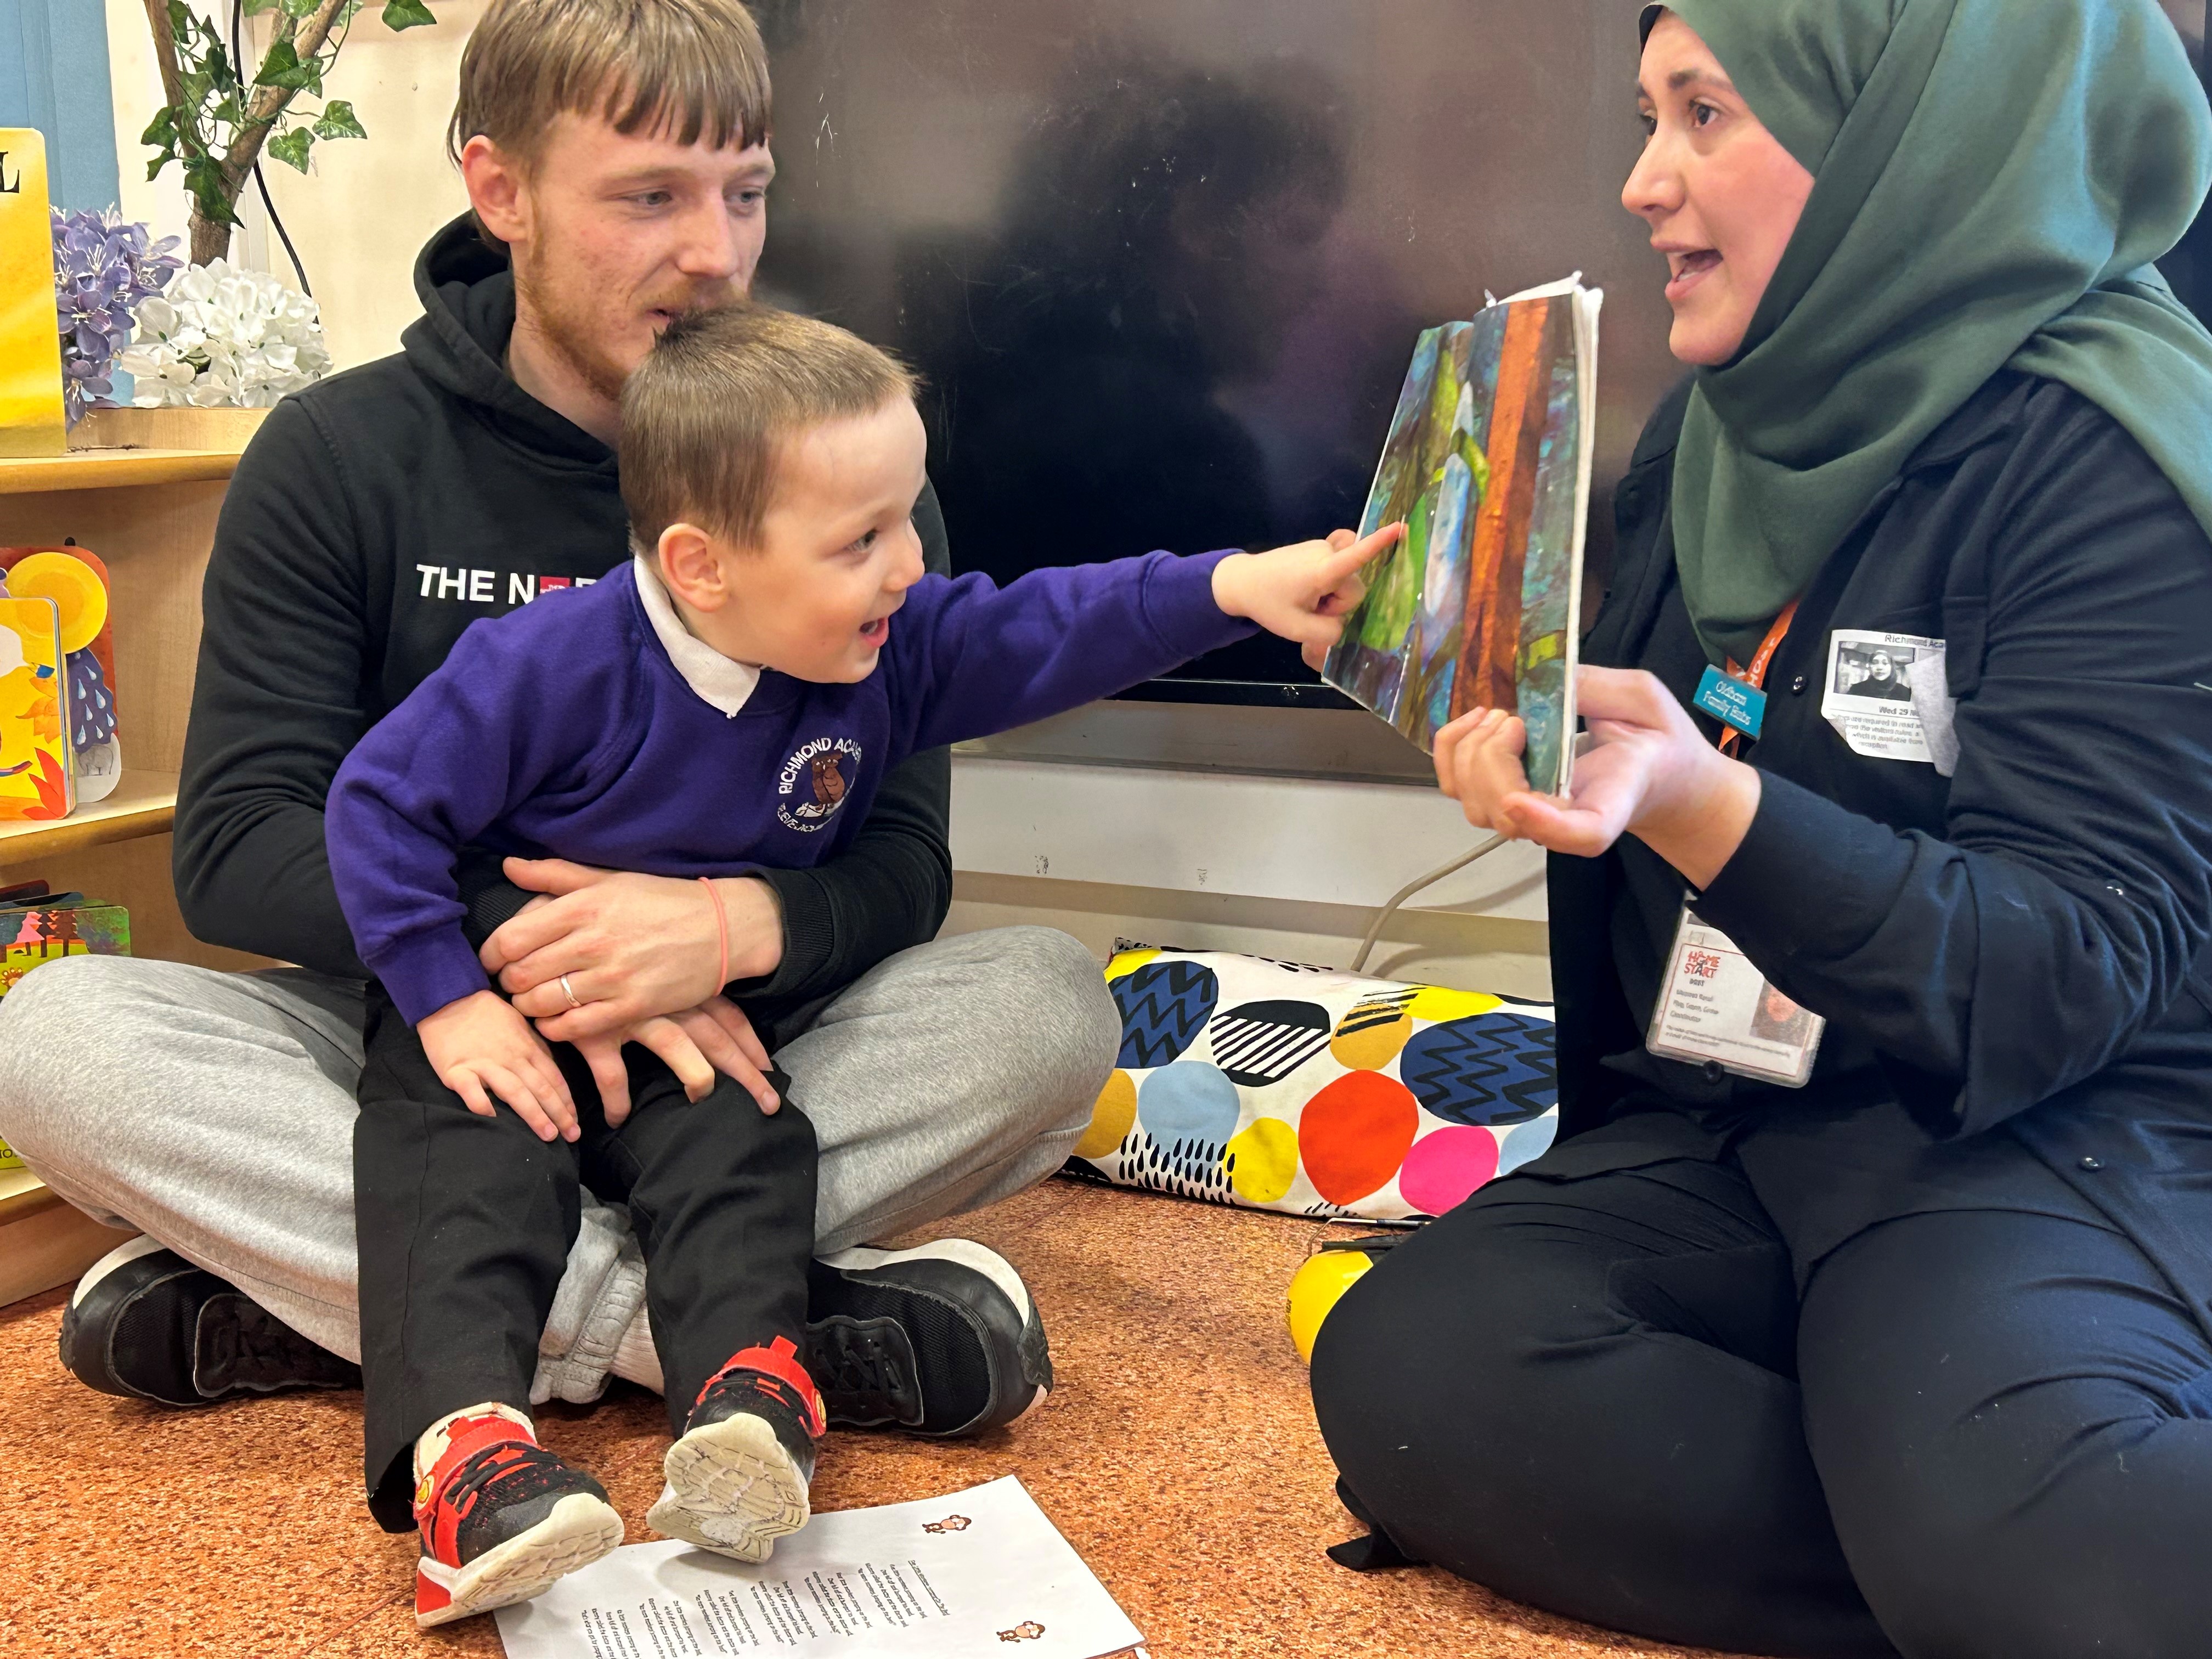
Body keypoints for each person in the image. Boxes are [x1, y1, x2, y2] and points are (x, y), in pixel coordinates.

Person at [0, 0, 1118, 1435]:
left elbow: (897, 862)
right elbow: (236, 846)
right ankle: (734, 1336)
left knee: (1046, 1007)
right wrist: (527, 955)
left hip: (736, 1043)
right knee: (58, 1036)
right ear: (500, 190)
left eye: (748, 192)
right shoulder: (336, 456)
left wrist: (722, 933)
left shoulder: (839, 461)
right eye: (649, 196)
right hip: (432, 1040)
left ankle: (400, 1316)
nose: (714, 254)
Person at [1311, 4, 2212, 1658]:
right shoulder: (1708, 436)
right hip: (1736, 1121)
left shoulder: (2113, 456)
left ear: (1907, 140)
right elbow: (1651, 757)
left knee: (2044, 1538)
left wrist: (1711, 810)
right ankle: (1954, 1538)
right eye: (1649, 118)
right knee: (1413, 1374)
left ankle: (1995, 1525)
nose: (1645, 182)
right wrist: (1470, 659)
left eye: (1703, 114)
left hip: (2023, 1132)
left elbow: (2073, 972)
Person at [330, 304, 1387, 1624]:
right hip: (504, 1026)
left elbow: (1053, 622)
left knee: (752, 1145)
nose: (907, 570)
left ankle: (745, 1409)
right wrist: (447, 1001)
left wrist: (1233, 589)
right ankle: (467, 1466)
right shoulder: (545, 662)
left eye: (907, 520)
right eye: (862, 541)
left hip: (706, 1033)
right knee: (462, 1172)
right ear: (702, 567)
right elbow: (374, 807)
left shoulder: (887, 651)